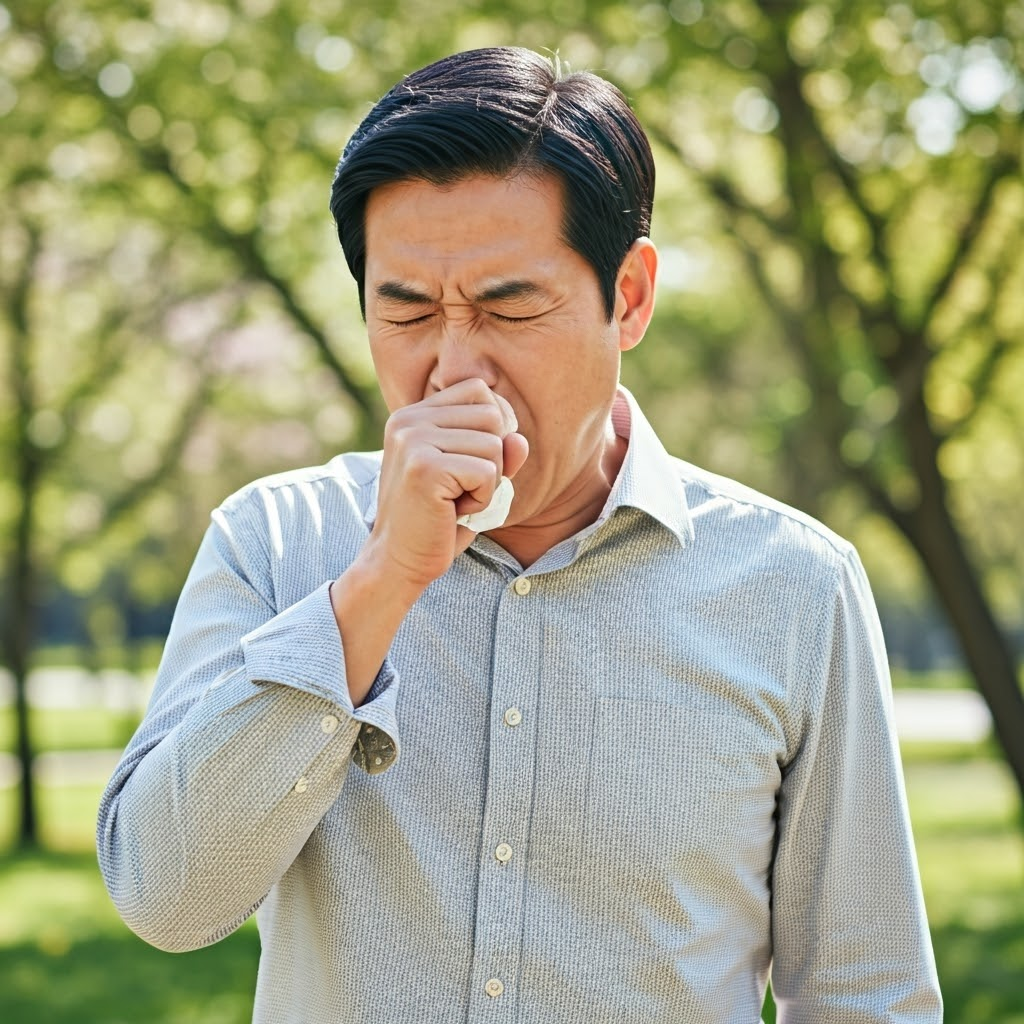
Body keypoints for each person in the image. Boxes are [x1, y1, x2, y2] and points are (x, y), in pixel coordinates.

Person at [97, 46, 942, 1024]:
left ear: (626, 298)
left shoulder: (796, 585)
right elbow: (167, 900)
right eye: (407, 310)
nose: (456, 370)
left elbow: (862, 994)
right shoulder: (273, 540)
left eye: (507, 306)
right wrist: (375, 587)